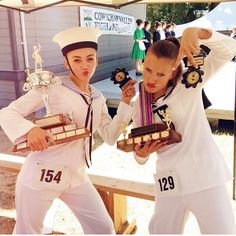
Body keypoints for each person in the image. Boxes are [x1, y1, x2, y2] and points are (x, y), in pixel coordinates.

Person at [0, 27, 136, 234]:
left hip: (77, 176)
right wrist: (30, 131)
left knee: (103, 228)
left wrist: (126, 103)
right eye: (77, 60)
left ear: (97, 60)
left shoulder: (97, 97)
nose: (85, 65)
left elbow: (109, 136)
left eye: (90, 59)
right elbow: (7, 113)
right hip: (42, 175)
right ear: (67, 63)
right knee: (27, 231)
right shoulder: (52, 87)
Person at [132, 27, 236, 234]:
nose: (151, 79)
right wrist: (141, 154)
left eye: (161, 73)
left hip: (203, 176)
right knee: (161, 231)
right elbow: (139, 150)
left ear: (173, 72)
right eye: (148, 69)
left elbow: (229, 49)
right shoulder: (140, 101)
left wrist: (197, 32)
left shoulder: (189, 83)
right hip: (168, 180)